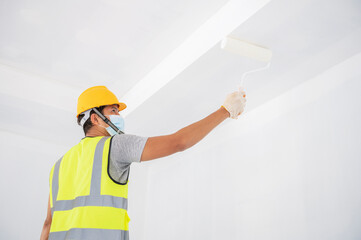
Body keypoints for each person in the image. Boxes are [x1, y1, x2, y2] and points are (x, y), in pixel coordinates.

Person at [40, 85, 246, 240]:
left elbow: (48, 224)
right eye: (113, 111)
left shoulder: (58, 166)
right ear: (95, 119)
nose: (119, 116)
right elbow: (178, 142)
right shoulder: (115, 145)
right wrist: (226, 110)